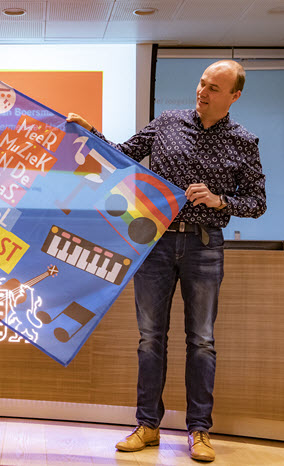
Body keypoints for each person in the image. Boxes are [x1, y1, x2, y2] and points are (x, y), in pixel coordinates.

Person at [67, 60, 266, 462]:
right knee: (150, 338)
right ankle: (147, 425)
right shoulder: (168, 123)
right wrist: (91, 133)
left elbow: (258, 202)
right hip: (155, 243)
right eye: (201, 83)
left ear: (234, 96)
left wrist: (219, 199)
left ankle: (199, 431)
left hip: (205, 247)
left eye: (213, 88)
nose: (202, 91)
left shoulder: (244, 141)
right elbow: (122, 156)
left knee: (202, 342)